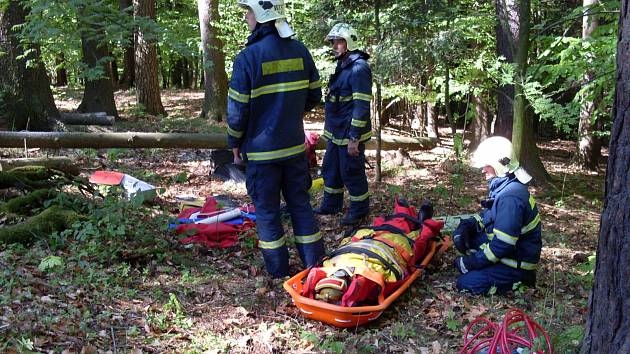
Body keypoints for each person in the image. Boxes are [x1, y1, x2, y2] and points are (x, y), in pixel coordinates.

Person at [226, 0, 324, 278]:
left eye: (248, 12)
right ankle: (314, 266)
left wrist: (234, 142)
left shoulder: (248, 58)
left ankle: (279, 272)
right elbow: (314, 94)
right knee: (300, 206)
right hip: (294, 149)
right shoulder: (300, 50)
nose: (246, 17)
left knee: (267, 213)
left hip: (261, 154)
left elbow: (237, 112)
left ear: (259, 16)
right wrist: (289, 114)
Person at [452, 136, 542, 295]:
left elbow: (503, 244)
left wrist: (472, 263)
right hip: (511, 254)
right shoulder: (506, 186)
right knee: (469, 239)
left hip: (516, 267)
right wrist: (467, 226)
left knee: (466, 283)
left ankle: (517, 282)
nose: (482, 170)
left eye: (487, 165)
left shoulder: (510, 198)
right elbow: (490, 218)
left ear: (499, 165)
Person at [314, 23, 373, 226]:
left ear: (349, 42)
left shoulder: (359, 68)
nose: (334, 46)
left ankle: (359, 211)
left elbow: (361, 105)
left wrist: (354, 137)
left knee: (352, 172)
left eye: (338, 41)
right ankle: (331, 205)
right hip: (337, 132)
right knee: (331, 169)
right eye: (333, 42)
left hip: (350, 134)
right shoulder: (344, 64)